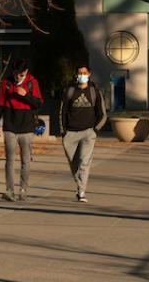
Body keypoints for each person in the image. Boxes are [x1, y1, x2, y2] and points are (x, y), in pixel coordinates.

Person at [0, 59, 42, 202]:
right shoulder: (6, 83)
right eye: (15, 74)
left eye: (21, 75)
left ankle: (23, 189)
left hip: (27, 128)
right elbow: (0, 103)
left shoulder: (33, 83)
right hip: (10, 126)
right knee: (9, 160)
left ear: (26, 72)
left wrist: (25, 95)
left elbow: (38, 104)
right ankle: (10, 190)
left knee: (25, 160)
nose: (18, 77)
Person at [58, 65, 107, 202]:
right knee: (74, 163)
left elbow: (102, 114)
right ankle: (80, 184)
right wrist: (63, 131)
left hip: (88, 133)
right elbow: (62, 111)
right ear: (76, 75)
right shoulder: (69, 91)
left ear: (89, 74)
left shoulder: (94, 92)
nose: (82, 75)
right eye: (80, 73)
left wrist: (95, 129)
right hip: (70, 134)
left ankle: (81, 192)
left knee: (84, 162)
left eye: (84, 73)